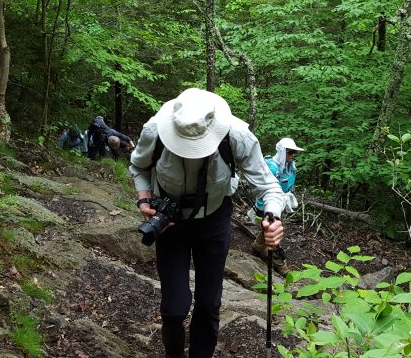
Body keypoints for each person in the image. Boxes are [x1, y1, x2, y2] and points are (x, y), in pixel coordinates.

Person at [129, 88, 286, 358]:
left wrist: (272, 218)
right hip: (170, 224)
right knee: (174, 308)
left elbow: (269, 187)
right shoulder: (154, 131)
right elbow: (139, 167)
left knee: (209, 303)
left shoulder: (236, 136)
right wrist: (144, 200)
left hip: (214, 222)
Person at [252, 137, 303, 273]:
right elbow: (263, 188)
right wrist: (264, 210)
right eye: (290, 152)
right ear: (282, 151)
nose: (293, 155)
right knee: (272, 229)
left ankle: (257, 247)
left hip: (280, 203)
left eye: (294, 152)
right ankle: (279, 264)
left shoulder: (290, 166)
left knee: (268, 229)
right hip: (267, 205)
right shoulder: (272, 167)